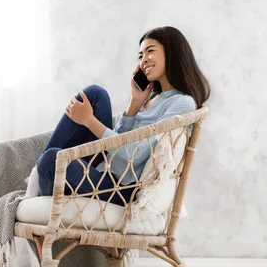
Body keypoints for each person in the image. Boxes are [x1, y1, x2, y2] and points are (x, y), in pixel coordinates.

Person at [26, 26, 211, 207]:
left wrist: (90, 122)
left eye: (150, 52)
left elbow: (136, 157)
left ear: (172, 53)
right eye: (140, 56)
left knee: (53, 159)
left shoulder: (182, 103)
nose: (143, 60)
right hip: (104, 169)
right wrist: (135, 103)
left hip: (121, 188)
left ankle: (40, 174)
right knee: (96, 94)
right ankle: (38, 173)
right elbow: (118, 144)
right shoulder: (152, 98)